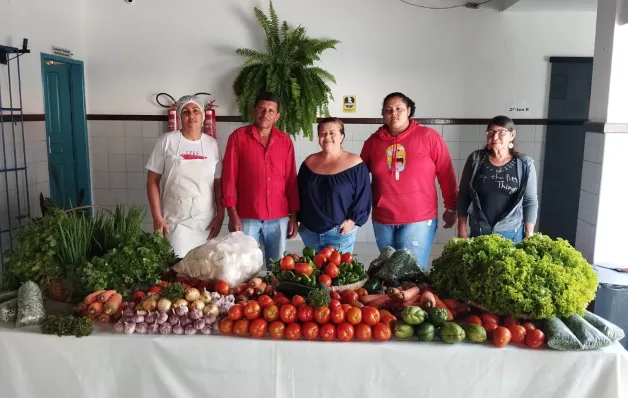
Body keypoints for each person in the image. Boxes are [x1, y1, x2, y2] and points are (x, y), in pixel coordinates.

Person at [360, 92, 458, 269]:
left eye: (399, 109)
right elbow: (358, 178)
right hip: (383, 218)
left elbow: (446, 173)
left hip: (419, 218)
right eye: (388, 110)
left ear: (409, 110)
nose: (394, 114)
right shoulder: (372, 143)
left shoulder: (429, 137)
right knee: (388, 273)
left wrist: (451, 207)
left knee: (411, 274)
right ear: (383, 114)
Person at [222, 91, 299, 269]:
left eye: (271, 110)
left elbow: (291, 181)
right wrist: (232, 215)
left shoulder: (285, 141)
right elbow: (229, 179)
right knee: (245, 267)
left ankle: (275, 297)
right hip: (247, 216)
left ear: (277, 116)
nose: (266, 114)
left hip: (279, 217)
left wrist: (293, 217)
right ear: (253, 110)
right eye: (262, 108)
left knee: (278, 267)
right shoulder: (237, 138)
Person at [145, 95, 223, 258]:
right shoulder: (167, 141)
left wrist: (220, 215)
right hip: (175, 220)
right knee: (176, 266)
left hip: (204, 220)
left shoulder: (212, 144)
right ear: (180, 116)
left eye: (196, 111)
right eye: (186, 111)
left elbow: (218, 183)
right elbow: (152, 180)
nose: (191, 115)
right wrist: (157, 217)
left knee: (201, 269)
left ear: (202, 116)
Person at [457, 115, 538, 243]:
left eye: (501, 132)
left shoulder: (524, 164)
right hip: (479, 231)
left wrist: (529, 233)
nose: (495, 137)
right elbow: (463, 195)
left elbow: (530, 201)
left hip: (511, 233)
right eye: (491, 132)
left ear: (512, 135)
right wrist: (461, 228)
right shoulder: (475, 159)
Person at [297, 117, 371, 253]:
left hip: (340, 232)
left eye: (332, 133)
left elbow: (364, 195)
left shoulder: (355, 163)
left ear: (342, 136)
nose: (327, 137)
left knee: (338, 273)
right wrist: (298, 219)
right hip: (310, 232)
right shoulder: (309, 162)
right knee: (312, 273)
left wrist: (352, 220)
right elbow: (299, 193)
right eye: (323, 133)